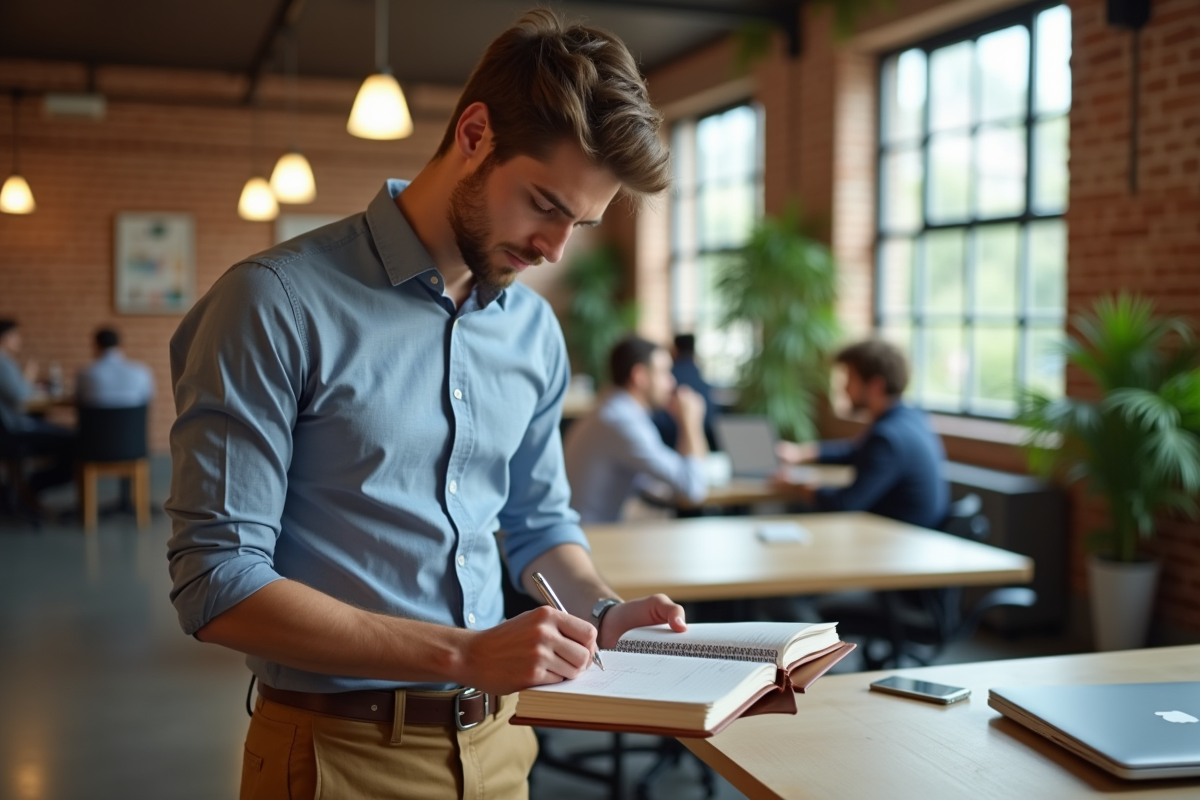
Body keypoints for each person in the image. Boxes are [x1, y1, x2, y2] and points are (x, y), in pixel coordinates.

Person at [166, 11, 688, 799]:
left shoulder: (534, 332)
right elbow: (218, 583)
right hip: (337, 754)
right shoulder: (273, 303)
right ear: (474, 134)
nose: (554, 249)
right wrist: (464, 653)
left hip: (503, 746)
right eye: (544, 204)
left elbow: (540, 526)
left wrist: (605, 613)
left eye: (577, 224)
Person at [774, 339, 949, 529]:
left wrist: (797, 485)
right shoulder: (911, 418)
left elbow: (843, 504)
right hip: (909, 536)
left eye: (850, 379)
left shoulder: (888, 438)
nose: (843, 388)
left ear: (875, 385)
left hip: (898, 544)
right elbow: (856, 451)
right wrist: (800, 453)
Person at [564, 336, 709, 523]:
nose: (672, 382)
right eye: (664, 373)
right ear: (639, 376)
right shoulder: (621, 421)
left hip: (592, 535)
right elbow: (693, 489)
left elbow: (667, 484)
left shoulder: (614, 412)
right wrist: (690, 422)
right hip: (594, 541)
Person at [0, 319, 76, 507]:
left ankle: (23, 489)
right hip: (13, 430)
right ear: (5, 337)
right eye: (16, 336)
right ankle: (31, 487)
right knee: (76, 442)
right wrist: (28, 376)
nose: (19, 340)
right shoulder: (3, 363)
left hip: (11, 427)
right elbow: (21, 397)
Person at [651, 333, 718, 449]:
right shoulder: (704, 382)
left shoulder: (669, 377)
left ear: (675, 350)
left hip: (666, 443)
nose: (671, 382)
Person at [76, 327, 155, 408]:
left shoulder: (85, 373)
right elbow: (148, 399)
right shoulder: (141, 371)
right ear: (120, 344)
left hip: (96, 420)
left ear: (95, 345)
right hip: (132, 420)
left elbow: (79, 400)